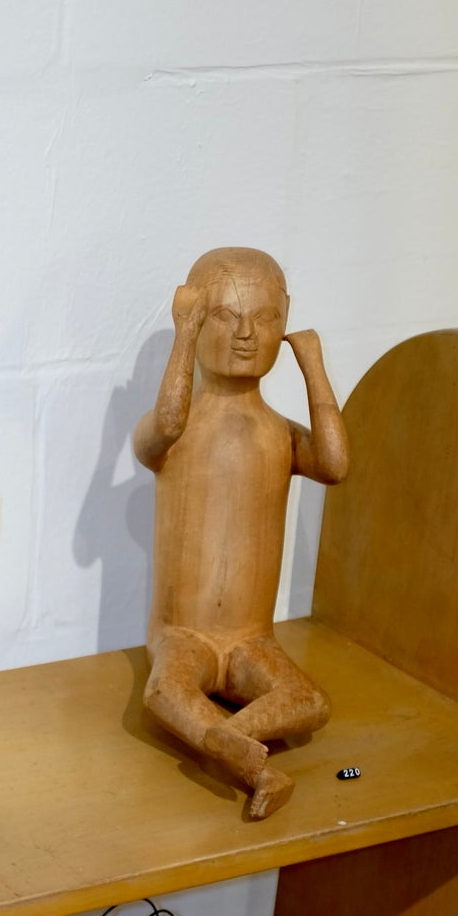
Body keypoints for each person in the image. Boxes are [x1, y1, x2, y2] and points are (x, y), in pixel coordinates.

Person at [132, 246, 348, 817]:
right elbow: (172, 418)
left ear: (286, 320)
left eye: (266, 318)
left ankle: (231, 745)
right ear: (198, 317)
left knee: (310, 701)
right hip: (185, 635)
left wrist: (313, 366)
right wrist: (182, 334)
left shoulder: (278, 434)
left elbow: (335, 463)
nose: (248, 334)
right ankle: (249, 757)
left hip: (252, 638)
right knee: (164, 690)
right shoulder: (170, 434)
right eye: (225, 317)